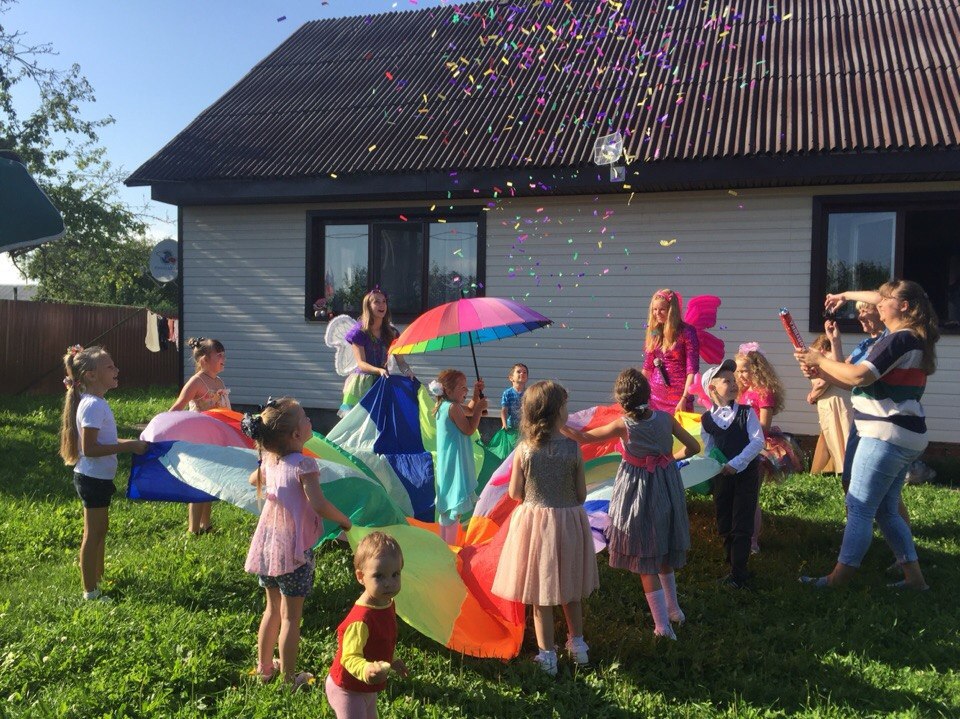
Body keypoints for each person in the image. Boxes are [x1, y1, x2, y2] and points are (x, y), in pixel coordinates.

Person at [795, 280, 939, 591]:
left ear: (903, 306)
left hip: (884, 434)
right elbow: (859, 384)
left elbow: (860, 374)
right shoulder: (909, 338)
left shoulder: (900, 339)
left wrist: (820, 360)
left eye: (885, 300)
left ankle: (838, 579)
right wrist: (822, 371)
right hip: (902, 435)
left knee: (859, 506)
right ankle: (915, 579)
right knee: (886, 510)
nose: (877, 304)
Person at [563, 368, 699, 640]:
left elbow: (585, 437)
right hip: (666, 485)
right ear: (648, 394)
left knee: (646, 553)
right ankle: (675, 610)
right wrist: (669, 459)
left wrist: (558, 424)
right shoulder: (665, 419)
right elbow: (694, 447)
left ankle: (662, 627)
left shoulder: (624, 425)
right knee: (662, 548)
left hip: (638, 490)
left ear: (621, 400)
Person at [241, 397, 353, 686]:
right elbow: (318, 504)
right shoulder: (304, 464)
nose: (309, 421)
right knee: (290, 617)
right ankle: (290, 678)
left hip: (268, 549)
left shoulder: (270, 460)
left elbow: (254, 479)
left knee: (271, 610)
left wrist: (269, 477)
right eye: (305, 418)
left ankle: (265, 669)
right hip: (294, 552)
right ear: (295, 435)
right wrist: (344, 520)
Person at [491, 381, 599, 675]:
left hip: (535, 525)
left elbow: (515, 493)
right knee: (571, 587)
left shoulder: (525, 450)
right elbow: (580, 495)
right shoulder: (572, 449)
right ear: (557, 412)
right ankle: (578, 646)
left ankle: (547, 656)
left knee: (540, 592)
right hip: (568, 523)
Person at [59, 345, 148, 601]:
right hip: (92, 479)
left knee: (100, 529)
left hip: (98, 478)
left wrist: (131, 442)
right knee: (93, 533)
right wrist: (130, 446)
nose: (116, 369)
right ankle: (91, 592)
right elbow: (90, 448)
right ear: (91, 375)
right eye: (110, 366)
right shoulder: (93, 406)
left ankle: (97, 577)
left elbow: (104, 440)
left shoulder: (95, 403)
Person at [326, 532, 408, 718]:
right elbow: (349, 657)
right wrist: (365, 670)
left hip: (366, 686)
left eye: (395, 574)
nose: (389, 583)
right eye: (379, 576)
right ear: (361, 576)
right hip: (347, 689)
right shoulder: (361, 619)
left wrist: (393, 659)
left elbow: (381, 639)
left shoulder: (386, 602)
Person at [700, 360, 765, 589]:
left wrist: (737, 463)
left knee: (742, 520)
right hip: (722, 477)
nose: (733, 384)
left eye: (734, 380)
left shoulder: (746, 414)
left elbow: (758, 441)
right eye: (726, 380)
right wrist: (710, 467)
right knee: (724, 519)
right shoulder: (707, 420)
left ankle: (740, 573)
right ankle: (732, 563)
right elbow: (708, 449)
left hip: (745, 475)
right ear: (712, 388)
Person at [734, 342, 802, 553]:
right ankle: (742, 534)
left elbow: (763, 426)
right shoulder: (743, 393)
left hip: (759, 446)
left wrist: (749, 442)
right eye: (738, 370)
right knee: (742, 494)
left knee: (751, 495)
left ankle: (752, 541)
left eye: (745, 370)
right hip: (743, 444)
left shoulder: (763, 393)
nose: (741, 375)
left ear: (757, 369)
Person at [170, 337, 230, 535]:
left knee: (211, 481)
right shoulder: (196, 381)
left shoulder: (219, 381)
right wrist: (166, 426)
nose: (224, 358)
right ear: (204, 360)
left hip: (215, 439)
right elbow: (178, 406)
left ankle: (207, 524)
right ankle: (193, 529)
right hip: (199, 440)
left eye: (224, 355)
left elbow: (224, 410)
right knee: (198, 483)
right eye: (218, 355)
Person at [430, 370, 487, 544]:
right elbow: (469, 429)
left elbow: (468, 409)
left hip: (448, 463)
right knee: (455, 505)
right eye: (462, 387)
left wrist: (476, 397)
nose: (466, 390)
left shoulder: (445, 405)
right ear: (448, 390)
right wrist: (479, 410)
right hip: (455, 463)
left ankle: (444, 545)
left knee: (448, 506)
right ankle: (451, 548)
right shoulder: (453, 407)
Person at [339, 289, 414, 416]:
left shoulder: (392, 333)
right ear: (368, 306)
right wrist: (379, 370)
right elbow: (361, 363)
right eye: (377, 302)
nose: (382, 305)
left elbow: (401, 361)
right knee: (360, 427)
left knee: (383, 422)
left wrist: (408, 371)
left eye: (384, 302)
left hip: (383, 382)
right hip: (362, 385)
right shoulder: (359, 332)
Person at [642, 288, 700, 414]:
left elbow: (692, 370)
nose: (657, 313)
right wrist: (636, 391)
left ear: (671, 310)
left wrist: (685, 398)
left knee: (681, 432)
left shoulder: (687, 331)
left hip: (680, 397)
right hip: (655, 397)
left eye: (662, 309)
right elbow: (647, 367)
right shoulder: (655, 332)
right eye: (654, 309)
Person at [806, 335, 852, 475]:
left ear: (821, 349)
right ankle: (828, 469)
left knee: (839, 433)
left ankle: (844, 470)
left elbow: (823, 383)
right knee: (829, 435)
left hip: (835, 402)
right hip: (830, 403)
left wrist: (812, 395)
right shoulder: (836, 359)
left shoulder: (831, 359)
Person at [483, 363, 529, 461]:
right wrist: (504, 424)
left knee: (525, 451)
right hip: (511, 427)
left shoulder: (529, 393)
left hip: (525, 427)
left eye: (525, 372)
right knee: (511, 452)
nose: (522, 373)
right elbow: (504, 410)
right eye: (519, 372)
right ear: (511, 378)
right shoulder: (507, 393)